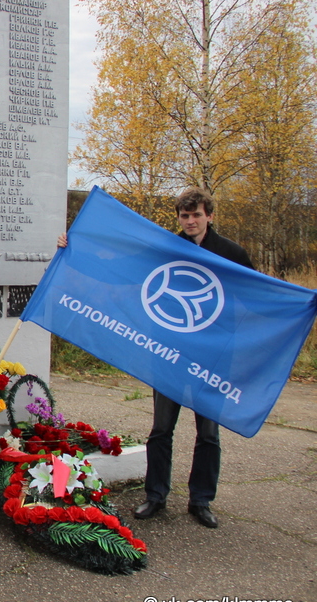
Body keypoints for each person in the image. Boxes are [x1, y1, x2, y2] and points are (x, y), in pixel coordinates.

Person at [57, 187, 253, 529]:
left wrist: (299, 306)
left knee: (208, 433)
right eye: (184, 216)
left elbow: (260, 293)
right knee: (162, 428)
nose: (190, 221)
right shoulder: (166, 248)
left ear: (209, 216)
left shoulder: (230, 253)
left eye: (196, 215)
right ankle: (156, 495)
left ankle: (201, 500)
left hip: (211, 359)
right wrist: (75, 251)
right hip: (168, 355)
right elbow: (122, 268)